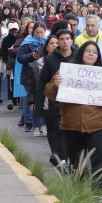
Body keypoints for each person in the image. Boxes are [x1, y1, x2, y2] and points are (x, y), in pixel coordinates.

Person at [45, 40, 102, 203]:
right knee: (76, 161)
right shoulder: (67, 71)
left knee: (99, 159)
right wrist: (56, 85)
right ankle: (78, 193)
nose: (91, 54)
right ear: (81, 52)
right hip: (71, 126)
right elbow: (49, 92)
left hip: (98, 125)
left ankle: (97, 194)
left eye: (95, 52)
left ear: (98, 56)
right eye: (88, 51)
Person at [38, 28, 76, 170]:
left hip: (75, 104)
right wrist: (38, 104)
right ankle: (62, 161)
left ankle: (71, 161)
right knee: (59, 132)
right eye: (62, 39)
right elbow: (43, 84)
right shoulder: (50, 59)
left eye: (67, 38)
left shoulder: (79, 57)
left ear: (72, 40)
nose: (65, 42)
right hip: (56, 104)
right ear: (58, 42)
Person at [15, 22, 48, 135]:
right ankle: (34, 124)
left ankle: (43, 124)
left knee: (43, 101)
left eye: (41, 32)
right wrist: (31, 56)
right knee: (32, 100)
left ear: (45, 32)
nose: (39, 35)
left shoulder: (47, 43)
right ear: (33, 32)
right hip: (29, 76)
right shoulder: (27, 43)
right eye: (37, 32)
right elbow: (19, 58)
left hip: (43, 76)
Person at [25, 34, 58, 139]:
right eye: (51, 43)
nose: (54, 46)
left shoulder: (63, 64)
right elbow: (32, 84)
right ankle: (37, 125)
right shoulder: (37, 64)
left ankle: (44, 125)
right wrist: (31, 101)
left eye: (56, 43)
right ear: (46, 46)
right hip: (41, 95)